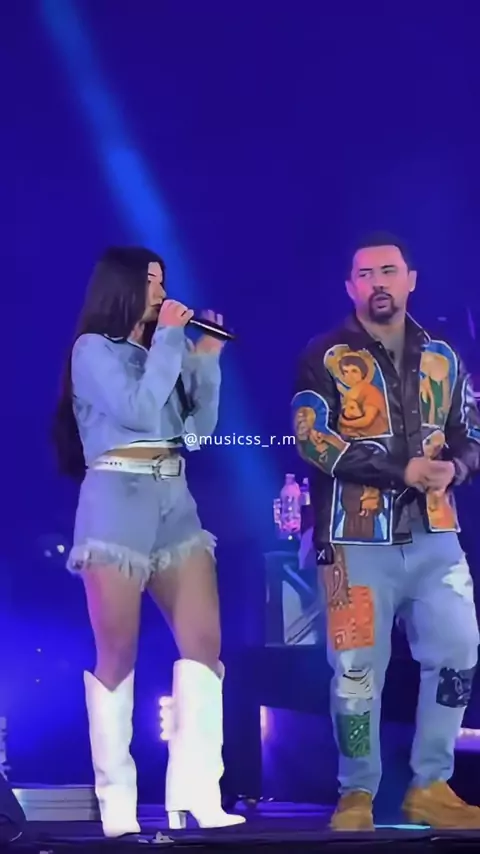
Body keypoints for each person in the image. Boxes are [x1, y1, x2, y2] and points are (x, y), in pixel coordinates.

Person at [53, 247, 245, 837]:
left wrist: (206, 361)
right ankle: (117, 801)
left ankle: (197, 793)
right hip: (116, 500)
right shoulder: (92, 351)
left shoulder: (166, 348)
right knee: (118, 652)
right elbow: (137, 410)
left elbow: (198, 432)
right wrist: (169, 341)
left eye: (163, 282)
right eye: (151, 283)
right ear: (122, 287)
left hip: (174, 499)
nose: (162, 293)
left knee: (204, 645)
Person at [291, 232, 480, 830]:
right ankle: (356, 792)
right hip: (354, 539)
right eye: (366, 273)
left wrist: (456, 468)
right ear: (351, 286)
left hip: (436, 533)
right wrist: (403, 470)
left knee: (459, 652)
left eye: (388, 271)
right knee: (355, 672)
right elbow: (312, 440)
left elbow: (471, 431)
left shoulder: (444, 355)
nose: (378, 282)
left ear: (410, 280)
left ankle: (432, 784)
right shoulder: (323, 355)